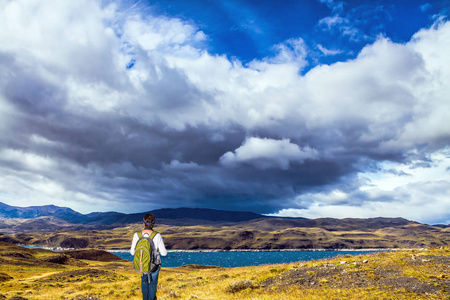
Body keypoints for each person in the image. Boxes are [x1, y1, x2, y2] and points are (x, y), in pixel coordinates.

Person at [130, 213, 167, 300]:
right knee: (153, 284)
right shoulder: (157, 235)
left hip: (142, 265)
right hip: (154, 266)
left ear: (144, 223)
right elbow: (164, 253)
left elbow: (132, 252)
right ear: (153, 223)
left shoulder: (137, 235)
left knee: (144, 283)